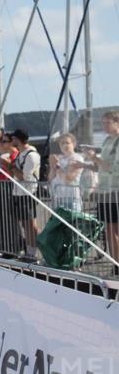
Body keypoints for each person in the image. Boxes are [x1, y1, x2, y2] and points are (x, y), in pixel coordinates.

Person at [85, 110, 119, 268]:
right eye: (103, 122)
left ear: (117, 123)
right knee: (110, 231)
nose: (104, 125)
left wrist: (94, 158)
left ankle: (117, 265)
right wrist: (85, 164)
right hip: (105, 191)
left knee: (112, 231)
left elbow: (114, 168)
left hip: (114, 191)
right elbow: (102, 167)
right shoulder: (107, 141)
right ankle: (116, 264)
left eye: (107, 122)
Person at [9, 129, 41, 263]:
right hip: (18, 192)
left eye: (13, 139)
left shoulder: (31, 155)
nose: (12, 142)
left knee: (30, 224)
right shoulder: (21, 154)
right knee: (24, 223)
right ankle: (29, 251)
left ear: (18, 139)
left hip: (28, 192)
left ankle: (33, 253)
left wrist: (11, 168)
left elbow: (24, 177)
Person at [48, 133, 86, 212]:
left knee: (72, 223)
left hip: (71, 198)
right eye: (62, 143)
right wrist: (52, 167)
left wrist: (57, 166)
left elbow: (68, 178)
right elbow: (50, 178)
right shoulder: (60, 158)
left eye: (67, 143)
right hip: (58, 197)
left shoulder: (77, 158)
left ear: (73, 144)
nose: (64, 145)